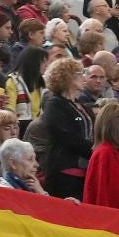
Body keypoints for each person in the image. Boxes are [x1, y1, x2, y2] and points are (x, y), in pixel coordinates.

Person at [36, 56, 93, 198]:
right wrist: (94, 150)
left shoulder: (81, 105)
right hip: (64, 171)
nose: (83, 77)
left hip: (85, 169)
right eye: (79, 74)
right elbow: (68, 136)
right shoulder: (55, 104)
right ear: (67, 77)